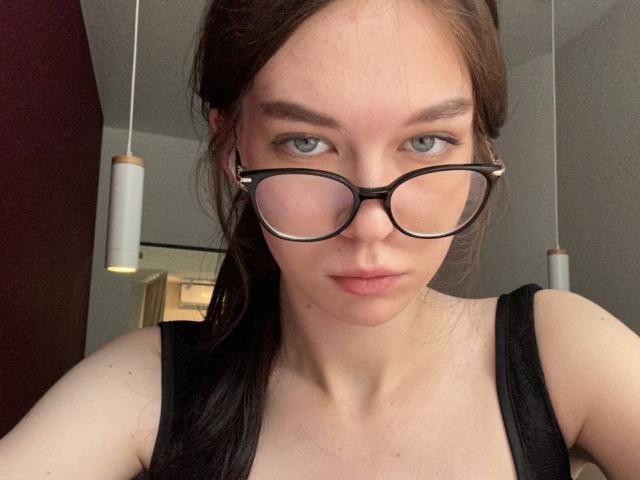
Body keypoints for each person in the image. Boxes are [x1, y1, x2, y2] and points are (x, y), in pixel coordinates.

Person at [1, 0, 639, 479]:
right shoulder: (144, 386)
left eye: (426, 141)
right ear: (233, 151)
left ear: (477, 146)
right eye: (306, 143)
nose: (371, 225)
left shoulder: (561, 351)